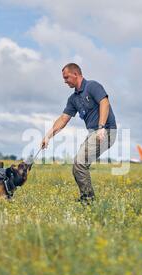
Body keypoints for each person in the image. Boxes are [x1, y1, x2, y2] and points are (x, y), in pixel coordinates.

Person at [41, 63, 117, 202]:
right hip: (93, 133)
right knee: (78, 166)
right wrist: (48, 136)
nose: (65, 81)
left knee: (80, 164)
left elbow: (104, 103)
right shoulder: (73, 99)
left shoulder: (92, 86)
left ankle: (88, 201)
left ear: (76, 74)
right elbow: (63, 119)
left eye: (66, 77)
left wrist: (101, 127)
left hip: (105, 131)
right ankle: (86, 198)